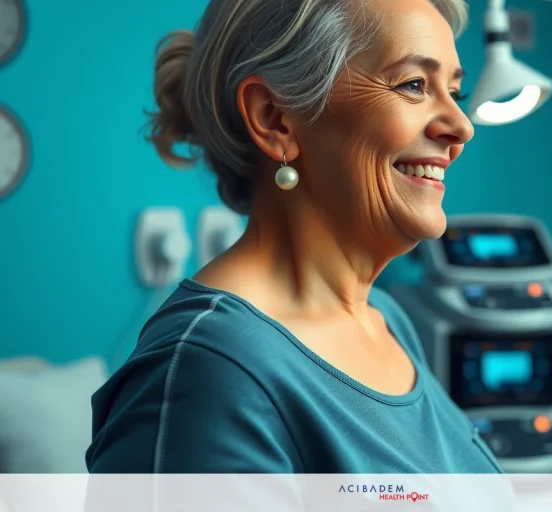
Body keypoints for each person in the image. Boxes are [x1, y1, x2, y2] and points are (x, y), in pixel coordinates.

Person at [86, 0, 503, 474]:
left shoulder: (385, 319)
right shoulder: (206, 374)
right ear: (275, 118)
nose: (461, 127)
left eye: (455, 92)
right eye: (414, 85)